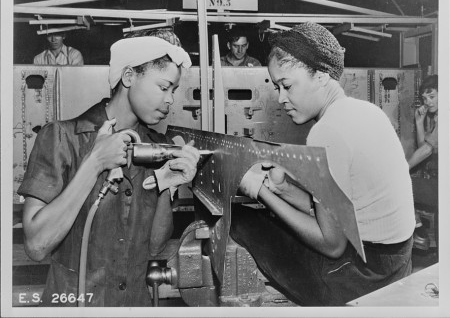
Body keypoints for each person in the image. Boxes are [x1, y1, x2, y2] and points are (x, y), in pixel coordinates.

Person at [230, 22, 415, 306]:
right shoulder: (367, 110)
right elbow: (343, 210)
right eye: (277, 87)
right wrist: (282, 190)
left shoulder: (327, 131)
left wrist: (260, 191)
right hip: (395, 265)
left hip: (361, 277)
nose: (281, 99)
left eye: (287, 85)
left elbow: (332, 244)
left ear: (321, 75)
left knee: (241, 220)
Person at [19, 36, 200, 307]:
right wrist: (94, 163)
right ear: (129, 76)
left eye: (173, 90)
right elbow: (36, 246)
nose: (170, 100)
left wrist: (166, 187)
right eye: (163, 87)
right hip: (76, 304)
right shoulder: (62, 138)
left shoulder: (152, 148)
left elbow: (154, 247)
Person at [407, 74, 438, 250]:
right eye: (425, 99)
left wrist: (401, 168)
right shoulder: (434, 118)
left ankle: (419, 232)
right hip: (438, 182)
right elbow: (423, 147)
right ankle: (420, 232)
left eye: (432, 96)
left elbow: (426, 151)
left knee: (400, 183)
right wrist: (419, 123)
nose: (428, 102)